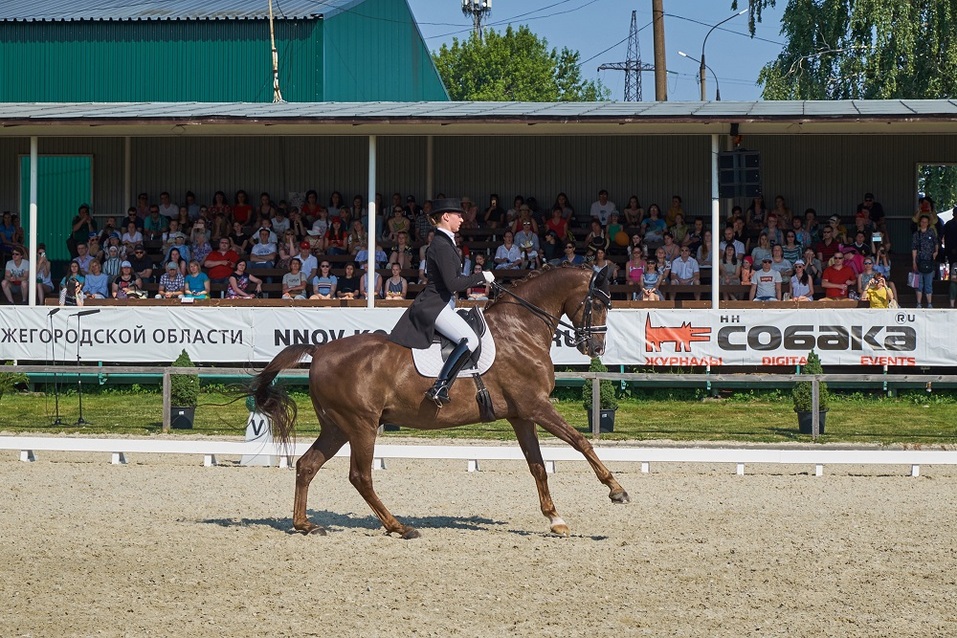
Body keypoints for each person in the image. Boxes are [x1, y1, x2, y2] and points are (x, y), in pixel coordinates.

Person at [389, 198, 493, 407]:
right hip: (435, 305)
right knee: (470, 339)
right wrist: (482, 277)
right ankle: (440, 386)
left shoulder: (445, 242)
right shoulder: (441, 244)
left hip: (441, 302)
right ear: (446, 217)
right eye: (458, 215)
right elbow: (453, 283)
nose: (462, 219)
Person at [911, 213, 939, 308]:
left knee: (928, 284)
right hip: (919, 261)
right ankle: (919, 303)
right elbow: (914, 249)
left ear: (928, 223)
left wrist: (936, 252)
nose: (924, 223)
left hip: (930, 262)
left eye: (925, 222)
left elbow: (936, 243)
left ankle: (929, 304)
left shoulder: (931, 232)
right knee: (919, 284)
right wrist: (914, 261)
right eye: (922, 222)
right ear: (920, 223)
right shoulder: (916, 234)